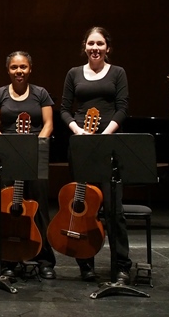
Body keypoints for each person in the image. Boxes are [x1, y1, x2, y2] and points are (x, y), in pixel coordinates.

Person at [60, 26, 132, 284]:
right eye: (91, 43)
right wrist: (77, 130)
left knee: (114, 208)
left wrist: (105, 134)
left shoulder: (118, 73)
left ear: (107, 47)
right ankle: (85, 263)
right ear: (85, 46)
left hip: (108, 144)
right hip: (80, 143)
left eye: (100, 43)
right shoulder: (74, 73)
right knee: (83, 206)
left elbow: (122, 108)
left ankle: (121, 265)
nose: (95, 48)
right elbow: (65, 109)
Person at [0, 51, 57, 279]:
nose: (19, 71)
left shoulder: (41, 94)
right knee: (8, 208)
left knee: (40, 209)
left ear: (30, 68)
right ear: (8, 70)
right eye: (15, 67)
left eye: (23, 67)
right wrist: (7, 145)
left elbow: (48, 125)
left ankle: (44, 259)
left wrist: (34, 147)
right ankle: (8, 258)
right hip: (7, 157)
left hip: (36, 155)